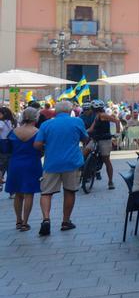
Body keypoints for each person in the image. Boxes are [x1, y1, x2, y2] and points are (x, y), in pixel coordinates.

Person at [33, 100, 89, 236]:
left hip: (51, 163)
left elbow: (37, 145)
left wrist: (47, 147)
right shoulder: (77, 122)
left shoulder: (46, 124)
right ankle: (65, 221)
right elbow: (85, 139)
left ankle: (46, 219)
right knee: (70, 191)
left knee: (46, 193)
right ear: (70, 111)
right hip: (72, 162)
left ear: (55, 111)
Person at [6, 107, 42, 231]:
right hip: (32, 163)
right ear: (35, 117)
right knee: (29, 194)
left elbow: (7, 149)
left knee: (18, 194)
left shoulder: (14, 131)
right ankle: (25, 222)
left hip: (15, 163)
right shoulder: (38, 132)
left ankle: (18, 221)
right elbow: (41, 148)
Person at [83, 100, 119, 190]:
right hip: (96, 139)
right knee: (86, 151)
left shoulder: (103, 115)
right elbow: (91, 129)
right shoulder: (97, 116)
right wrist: (83, 133)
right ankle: (85, 170)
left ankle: (110, 181)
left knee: (106, 159)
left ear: (94, 109)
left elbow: (117, 121)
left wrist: (117, 134)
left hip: (104, 139)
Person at [0, 105, 13, 189]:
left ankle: (0, 181)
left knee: (2, 166)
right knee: (9, 167)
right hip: (10, 145)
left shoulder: (1, 122)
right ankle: (12, 191)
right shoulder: (12, 121)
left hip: (2, 144)